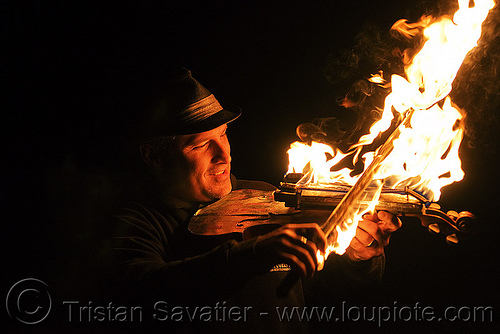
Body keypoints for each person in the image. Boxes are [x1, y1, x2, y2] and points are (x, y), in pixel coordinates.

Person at [105, 68, 401, 333]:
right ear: (154, 156)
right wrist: (252, 255)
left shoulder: (267, 197)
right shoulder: (134, 220)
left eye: (222, 135)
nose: (223, 155)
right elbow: (141, 292)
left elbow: (332, 294)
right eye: (200, 145)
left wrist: (357, 258)